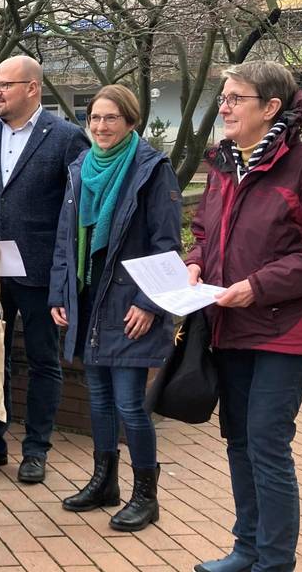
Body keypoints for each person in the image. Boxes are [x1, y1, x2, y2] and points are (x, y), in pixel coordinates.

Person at [187, 62, 302, 572]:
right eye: (222, 97)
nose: (224, 106)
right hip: (231, 326)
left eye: (236, 98)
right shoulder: (224, 165)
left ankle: (274, 562)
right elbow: (204, 232)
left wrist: (258, 287)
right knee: (239, 439)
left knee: (266, 441)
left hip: (287, 332)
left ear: (270, 108)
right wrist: (196, 264)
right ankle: (248, 550)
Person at [0, 55, 89, 484]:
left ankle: (36, 450)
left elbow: (77, 207)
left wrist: (66, 272)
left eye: (6, 84)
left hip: (42, 271)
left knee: (44, 361)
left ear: (32, 88)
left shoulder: (66, 138)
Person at [47, 85, 182, 531]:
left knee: (129, 404)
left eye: (110, 118)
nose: (101, 127)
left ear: (130, 121)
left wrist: (150, 304)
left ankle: (147, 495)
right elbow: (66, 240)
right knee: (99, 400)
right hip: (88, 300)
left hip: (129, 304)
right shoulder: (81, 168)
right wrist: (60, 294)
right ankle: (104, 482)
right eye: (95, 119)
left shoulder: (151, 170)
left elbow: (168, 246)